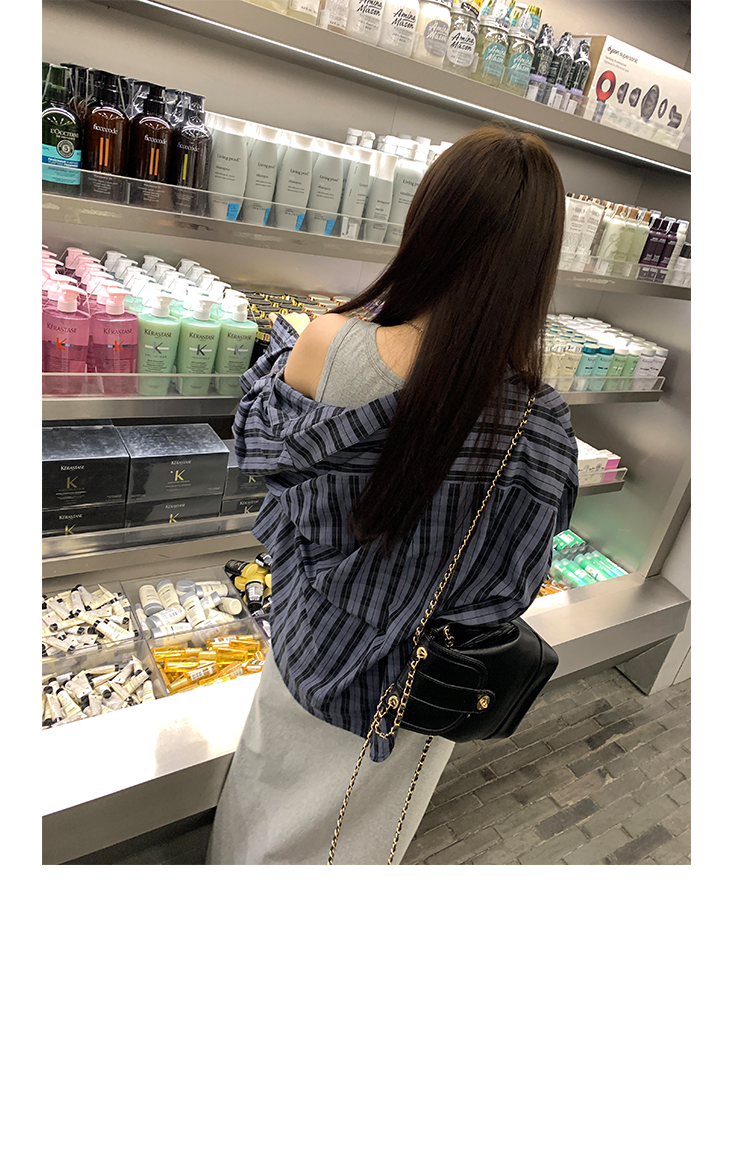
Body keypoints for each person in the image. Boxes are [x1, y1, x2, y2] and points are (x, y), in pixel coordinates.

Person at [206, 123, 579, 866]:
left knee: (258, 815)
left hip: (304, 648)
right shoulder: (537, 423)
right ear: (536, 266)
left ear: (427, 224)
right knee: (359, 845)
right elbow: (508, 590)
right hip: (408, 695)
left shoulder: (325, 341)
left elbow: (266, 462)